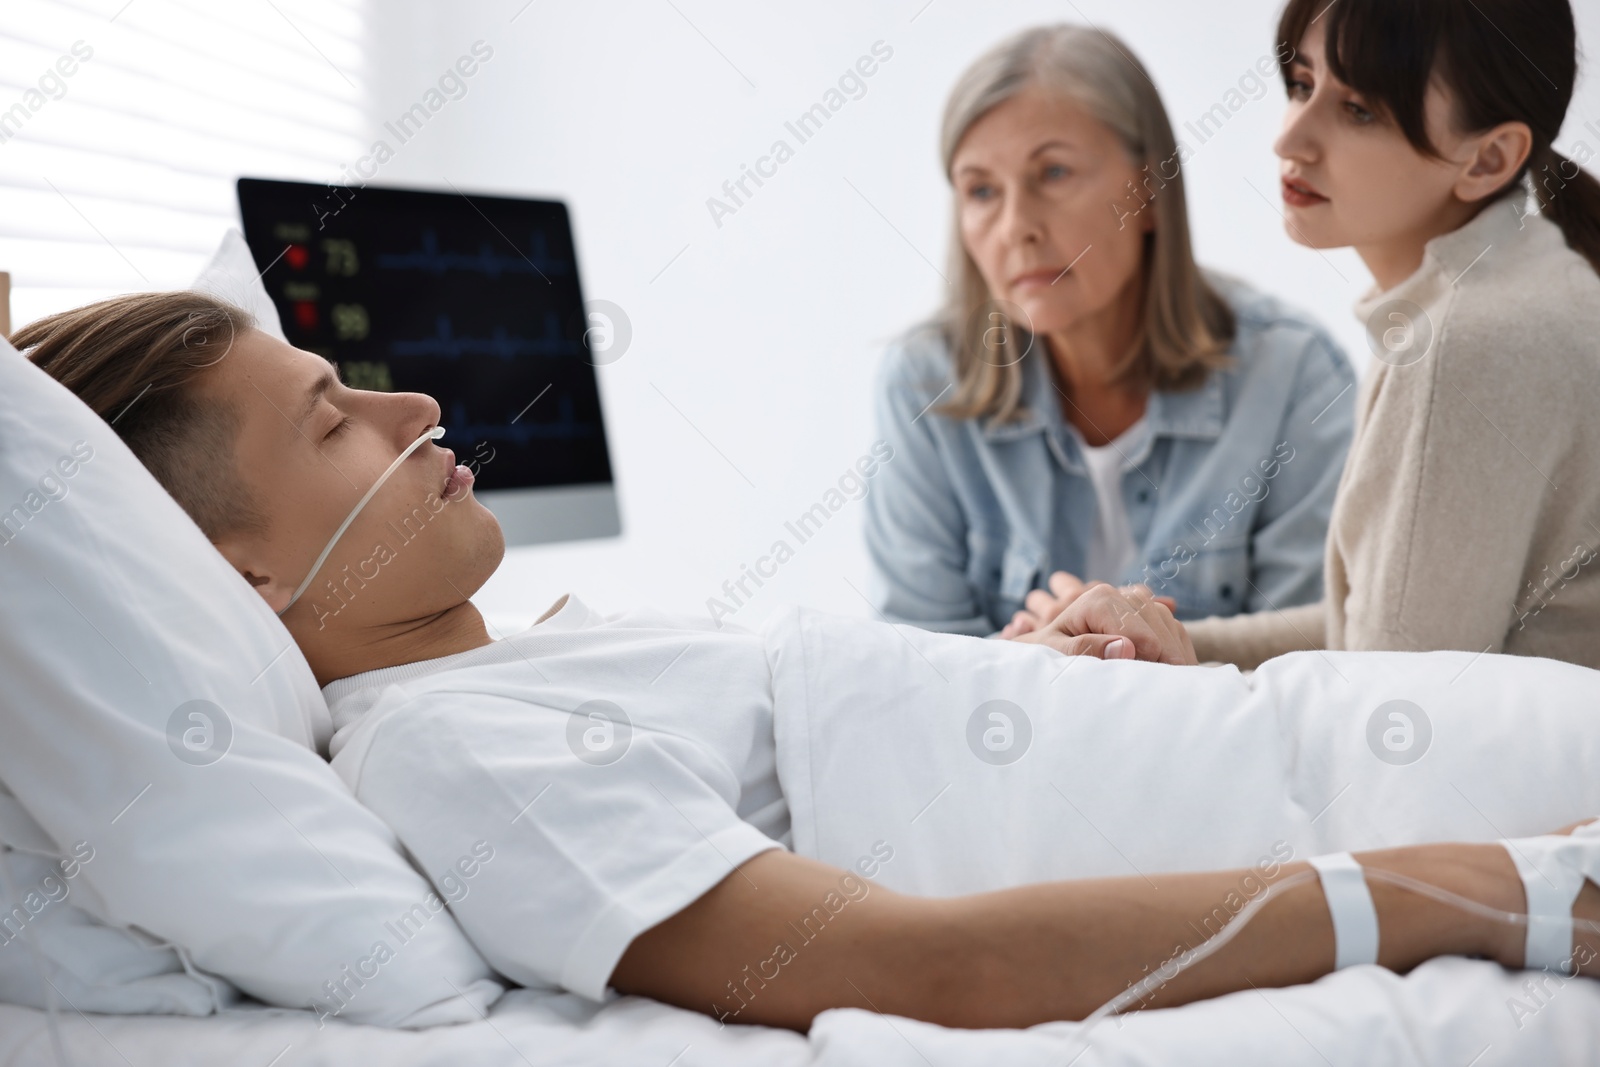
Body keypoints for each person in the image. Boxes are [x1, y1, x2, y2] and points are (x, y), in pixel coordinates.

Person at [16, 300, 1600, 1029]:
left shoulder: (519, 672)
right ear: (241, 570)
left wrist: (1014, 681)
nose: (413, 406)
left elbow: (852, 767)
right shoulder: (448, 755)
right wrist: (1480, 891)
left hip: (1359, 736)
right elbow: (931, 969)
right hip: (1452, 806)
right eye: (329, 419)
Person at [1007, 0, 1600, 671]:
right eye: (1301, 84)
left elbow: (1384, 708)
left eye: (1359, 110)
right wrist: (1152, 639)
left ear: (1489, 158)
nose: (1290, 139)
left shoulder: (1469, 341)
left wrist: (1166, 666)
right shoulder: (1506, 290)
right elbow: (1372, 626)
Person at [866, 24, 1356, 638]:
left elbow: (1317, 669)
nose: (1017, 226)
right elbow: (913, 677)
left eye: (1054, 174)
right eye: (982, 190)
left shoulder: (1294, 376)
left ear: (1149, 190)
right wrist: (1040, 662)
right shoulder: (922, 387)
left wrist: (1110, 660)